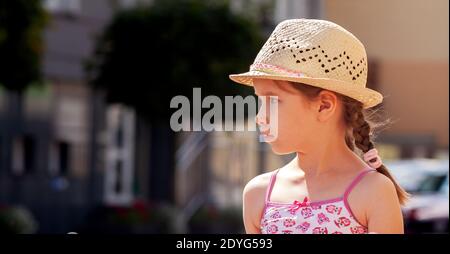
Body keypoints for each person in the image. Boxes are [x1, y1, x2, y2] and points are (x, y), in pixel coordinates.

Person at [229, 19, 408, 234]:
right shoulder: (258, 193)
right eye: (260, 101)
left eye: (272, 101)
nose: (259, 117)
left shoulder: (374, 192)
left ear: (324, 106)